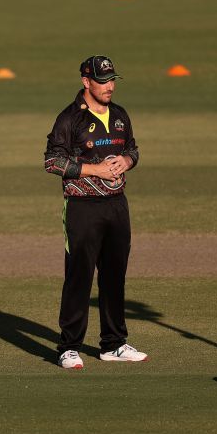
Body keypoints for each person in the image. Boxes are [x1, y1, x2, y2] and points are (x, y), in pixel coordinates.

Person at [44, 55, 148, 369]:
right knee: (79, 277)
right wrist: (96, 170)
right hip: (82, 208)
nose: (109, 87)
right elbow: (52, 162)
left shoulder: (119, 115)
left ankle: (113, 344)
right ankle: (68, 347)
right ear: (86, 81)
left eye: (112, 80)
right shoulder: (69, 118)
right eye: (103, 81)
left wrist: (127, 161)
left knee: (114, 277)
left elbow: (133, 148)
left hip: (116, 206)